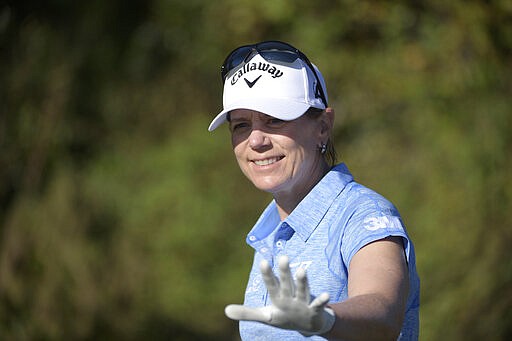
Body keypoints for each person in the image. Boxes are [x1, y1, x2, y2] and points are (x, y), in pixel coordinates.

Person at [208, 41, 419, 340]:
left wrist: (324, 320)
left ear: (323, 126)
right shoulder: (270, 233)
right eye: (241, 125)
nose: (256, 141)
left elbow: (382, 312)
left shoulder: (362, 213)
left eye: (274, 119)